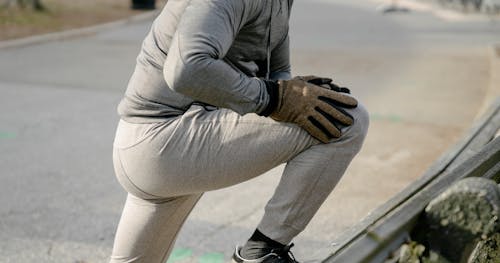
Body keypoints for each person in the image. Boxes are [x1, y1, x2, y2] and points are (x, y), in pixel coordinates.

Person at [109, 0, 369, 262]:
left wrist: (295, 91)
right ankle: (263, 251)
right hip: (164, 142)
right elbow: (186, 68)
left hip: (156, 147)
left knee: (325, 108)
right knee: (347, 120)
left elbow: (276, 75)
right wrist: (275, 98)